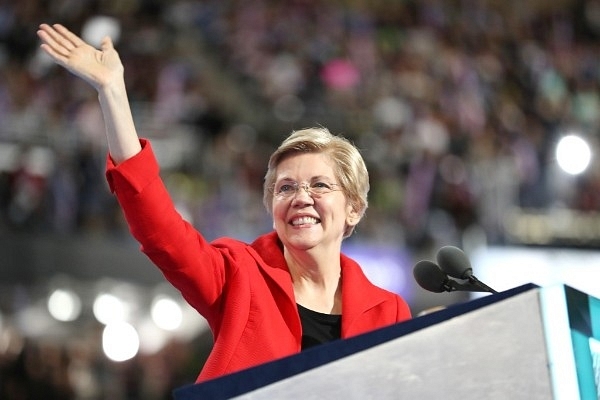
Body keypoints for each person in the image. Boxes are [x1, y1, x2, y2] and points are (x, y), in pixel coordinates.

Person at [36, 23, 412, 383]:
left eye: (319, 185)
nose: (300, 198)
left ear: (353, 208)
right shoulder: (239, 274)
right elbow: (161, 231)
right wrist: (113, 92)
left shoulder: (388, 311)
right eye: (285, 188)